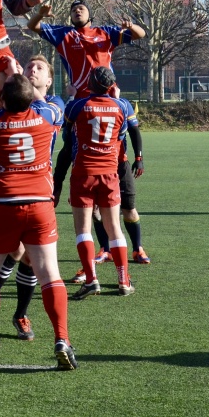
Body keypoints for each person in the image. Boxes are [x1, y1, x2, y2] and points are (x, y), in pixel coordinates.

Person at [0, 57, 77, 371]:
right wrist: (16, 76)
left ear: (1, 98)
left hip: (4, 204)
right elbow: (42, 102)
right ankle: (62, 339)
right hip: (40, 204)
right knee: (50, 274)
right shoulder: (48, 113)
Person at [55, 67, 140, 298]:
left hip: (83, 174)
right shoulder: (122, 106)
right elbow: (122, 137)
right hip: (110, 174)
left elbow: (67, 136)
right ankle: (123, 280)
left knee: (83, 229)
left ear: (89, 84)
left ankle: (92, 280)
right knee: (114, 228)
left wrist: (72, 95)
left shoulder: (77, 105)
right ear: (112, 86)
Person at [26, 0, 146, 99]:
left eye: (81, 9)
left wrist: (131, 26)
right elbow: (32, 25)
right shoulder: (63, 34)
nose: (77, 11)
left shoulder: (106, 32)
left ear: (90, 15)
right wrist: (40, 14)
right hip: (81, 97)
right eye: (73, 10)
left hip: (109, 94)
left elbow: (141, 34)